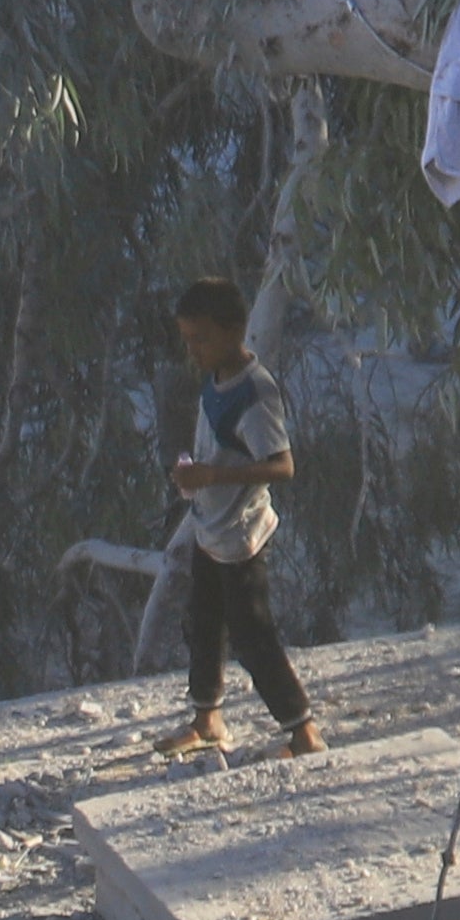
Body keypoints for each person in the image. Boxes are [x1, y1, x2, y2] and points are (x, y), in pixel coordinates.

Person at [156, 276, 317, 758]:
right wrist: (195, 472)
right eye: (187, 340)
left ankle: (303, 731)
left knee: (252, 635)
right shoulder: (218, 379)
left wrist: (214, 478)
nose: (194, 350)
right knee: (202, 621)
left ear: (233, 331)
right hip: (212, 530)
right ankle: (208, 720)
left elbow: (282, 465)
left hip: (242, 536)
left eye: (201, 338)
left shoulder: (254, 393)